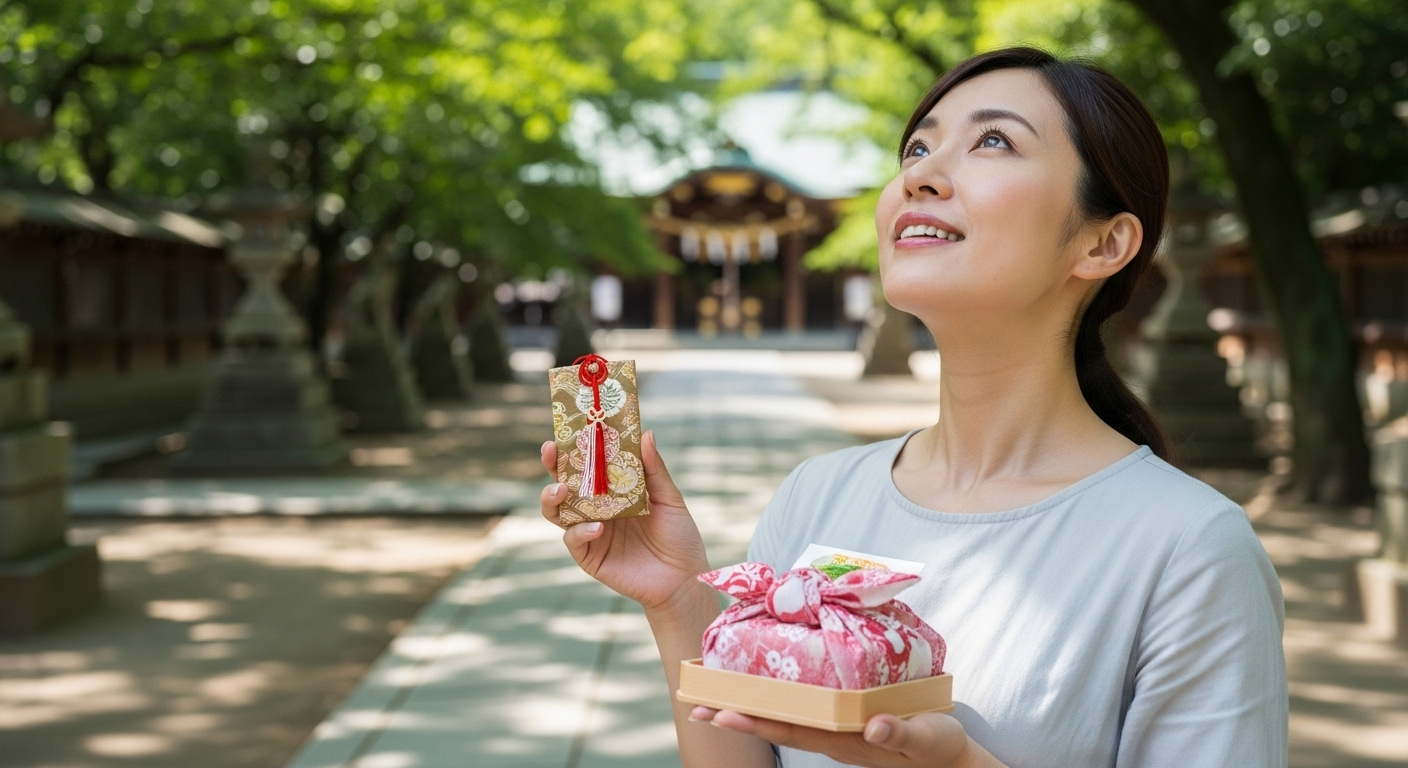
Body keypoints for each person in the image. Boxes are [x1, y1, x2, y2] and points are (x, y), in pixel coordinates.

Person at [539, 47, 1287, 768]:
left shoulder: (1189, 548)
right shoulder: (817, 494)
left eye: (993, 141)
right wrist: (677, 599)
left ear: (1103, 242)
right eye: (916, 150)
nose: (923, 174)